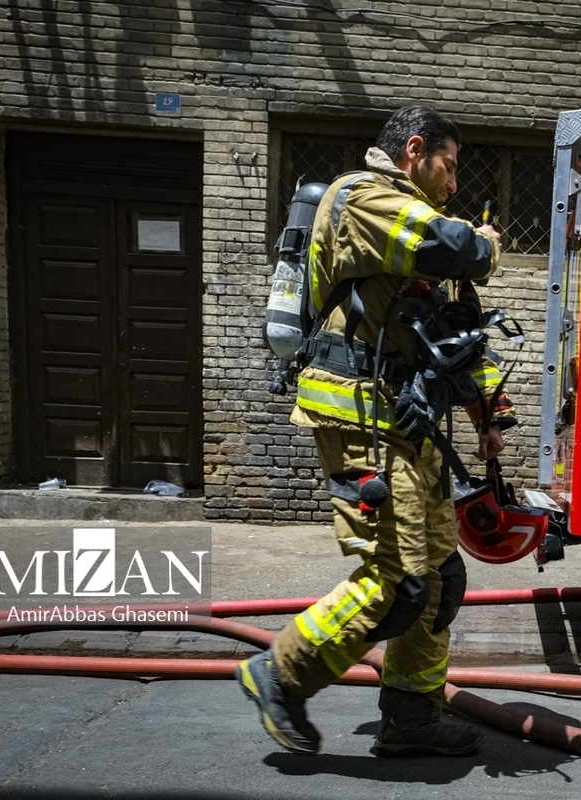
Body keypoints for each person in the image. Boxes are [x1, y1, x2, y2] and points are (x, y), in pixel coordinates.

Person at [237, 106, 515, 758]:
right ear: (414, 151)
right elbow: (463, 249)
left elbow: (455, 336)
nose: (453, 182)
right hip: (362, 419)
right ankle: (280, 672)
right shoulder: (362, 200)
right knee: (395, 584)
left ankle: (412, 716)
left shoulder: (409, 225)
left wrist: (491, 418)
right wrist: (491, 242)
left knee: (441, 578)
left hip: (409, 422)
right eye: (448, 166)